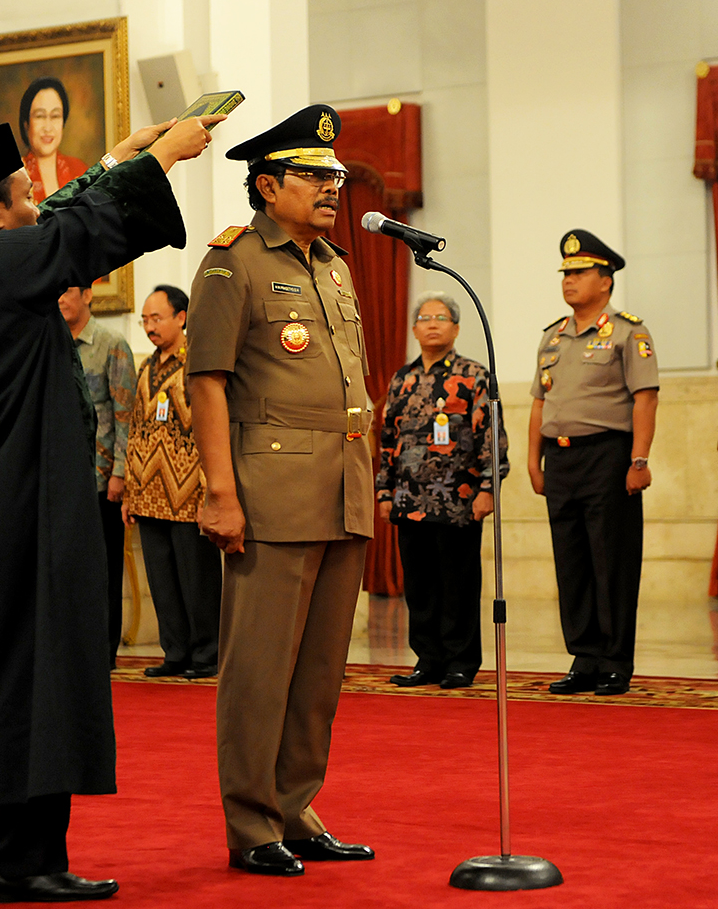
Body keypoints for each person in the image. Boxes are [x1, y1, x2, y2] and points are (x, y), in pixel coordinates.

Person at [0, 113, 219, 901]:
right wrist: (159, 159)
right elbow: (79, 232)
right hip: (21, 502)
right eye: (21, 194)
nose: (34, 203)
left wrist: (118, 154)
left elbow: (57, 221)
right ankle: (24, 861)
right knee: (34, 672)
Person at [186, 104, 375, 877]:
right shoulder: (233, 263)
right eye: (311, 175)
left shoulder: (334, 265)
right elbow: (208, 383)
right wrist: (220, 493)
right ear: (267, 186)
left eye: (334, 175)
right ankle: (252, 821)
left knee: (319, 671)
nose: (331, 186)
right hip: (269, 490)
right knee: (261, 667)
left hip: (342, 487)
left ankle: (297, 808)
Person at [527, 230, 658, 697]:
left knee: (612, 561)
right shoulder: (552, 336)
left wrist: (638, 459)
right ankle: (583, 657)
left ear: (606, 280)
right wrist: (533, 460)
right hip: (560, 459)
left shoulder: (628, 332)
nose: (569, 280)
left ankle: (615, 661)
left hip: (608, 455)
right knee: (572, 561)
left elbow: (645, 398)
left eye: (580, 272)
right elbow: (540, 403)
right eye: (566, 273)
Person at [376, 291, 508, 690]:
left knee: (459, 585)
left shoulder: (474, 375)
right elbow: (386, 440)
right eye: (424, 317)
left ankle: (461, 662)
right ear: (414, 328)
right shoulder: (403, 378)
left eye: (441, 317)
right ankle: (427, 659)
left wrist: (488, 487)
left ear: (456, 328)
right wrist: (384, 492)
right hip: (409, 501)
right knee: (419, 586)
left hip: (459, 500)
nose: (432, 323)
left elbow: (492, 436)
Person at [122, 284, 221, 679]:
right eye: (145, 320)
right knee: (162, 580)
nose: (149, 326)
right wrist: (131, 490)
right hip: (148, 495)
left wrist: (210, 491)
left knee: (197, 581)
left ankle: (207, 654)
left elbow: (211, 430)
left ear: (181, 318)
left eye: (156, 318)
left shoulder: (197, 362)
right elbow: (136, 429)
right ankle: (175, 652)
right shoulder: (147, 366)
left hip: (187, 493)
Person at [58, 285, 136, 670]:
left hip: (102, 478)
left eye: (68, 291)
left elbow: (125, 414)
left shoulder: (111, 343)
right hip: (60, 478)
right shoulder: (50, 340)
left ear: (88, 295)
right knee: (67, 569)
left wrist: (120, 472)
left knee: (103, 569)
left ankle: (103, 651)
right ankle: (72, 648)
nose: (60, 299)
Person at [19, 76, 88, 204]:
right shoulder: (14, 178)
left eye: (55, 116)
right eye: (40, 116)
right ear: (26, 123)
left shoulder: (80, 171)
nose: (48, 127)